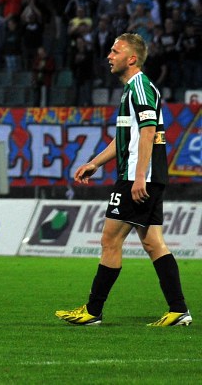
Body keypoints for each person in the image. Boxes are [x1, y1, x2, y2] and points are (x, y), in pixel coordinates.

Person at [56, 33, 191, 327]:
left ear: (131, 59)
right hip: (144, 176)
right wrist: (94, 162)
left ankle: (93, 310)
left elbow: (148, 131)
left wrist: (139, 176)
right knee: (153, 243)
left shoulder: (140, 87)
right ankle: (179, 310)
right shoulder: (132, 90)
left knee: (110, 239)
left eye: (115, 51)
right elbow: (125, 139)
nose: (109, 56)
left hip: (137, 177)